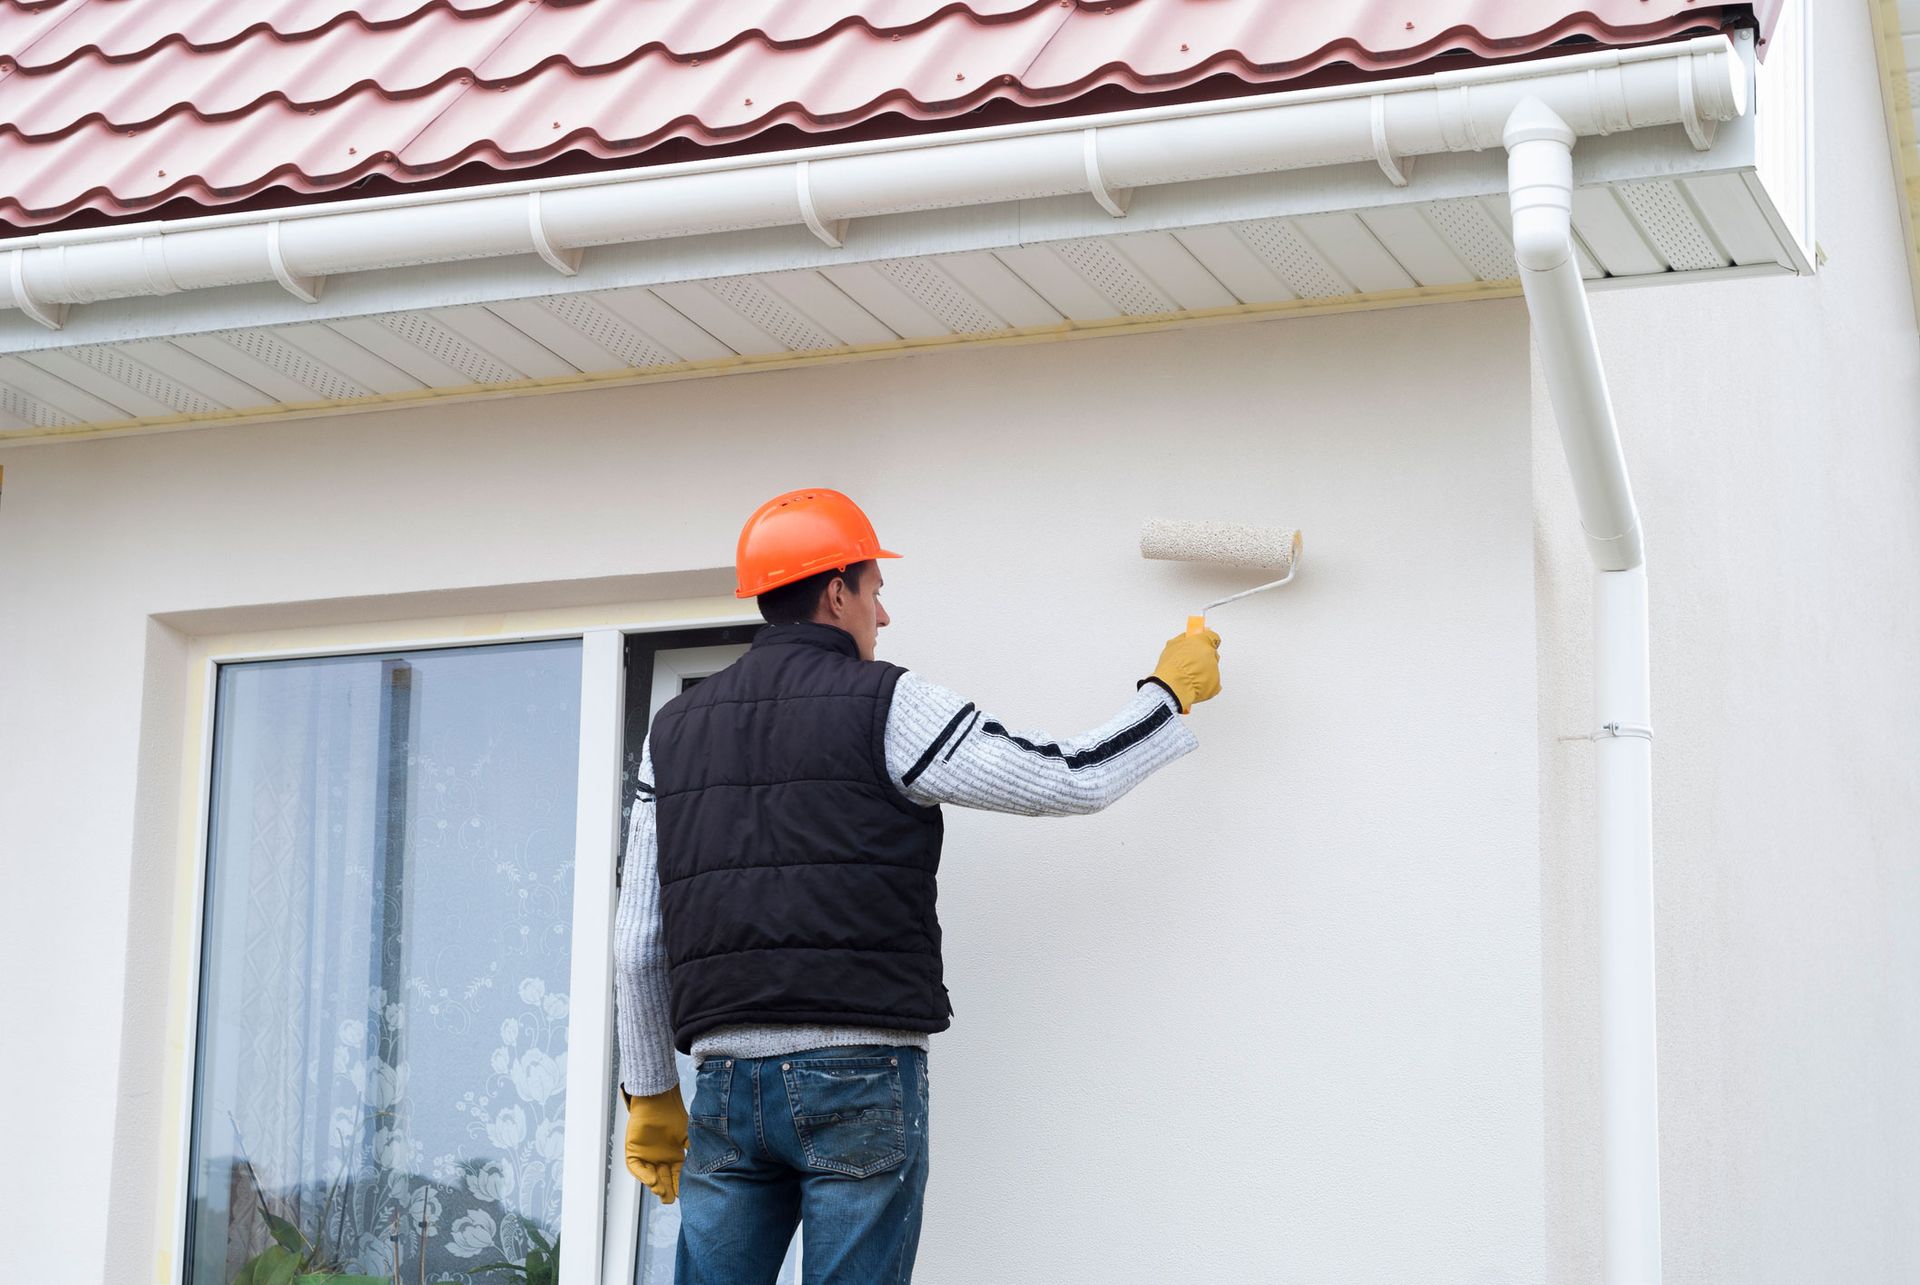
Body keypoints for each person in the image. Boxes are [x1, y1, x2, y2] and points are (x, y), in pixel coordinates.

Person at [612, 487, 1222, 1284]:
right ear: (837, 591)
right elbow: (1067, 778)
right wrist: (1166, 696)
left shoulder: (675, 729)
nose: (883, 616)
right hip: (858, 1075)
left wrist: (651, 1091)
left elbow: (636, 941)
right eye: (876, 590)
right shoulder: (887, 703)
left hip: (725, 1086)